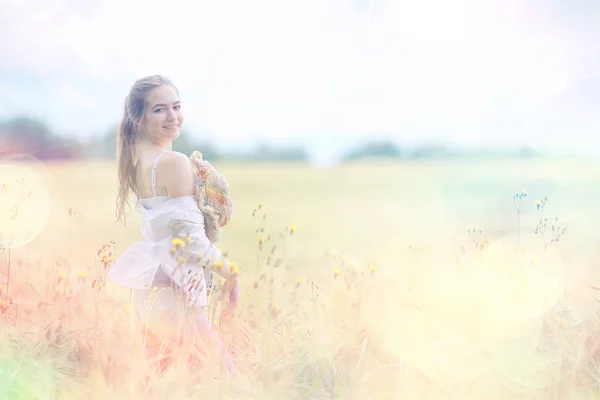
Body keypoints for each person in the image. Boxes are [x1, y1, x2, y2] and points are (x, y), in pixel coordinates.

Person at [107, 75, 239, 375]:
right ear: (139, 118)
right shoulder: (174, 162)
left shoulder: (138, 160)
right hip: (176, 289)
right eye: (159, 109)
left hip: (148, 287)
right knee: (223, 377)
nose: (172, 116)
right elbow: (190, 240)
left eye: (176, 106)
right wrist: (231, 273)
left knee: (164, 380)